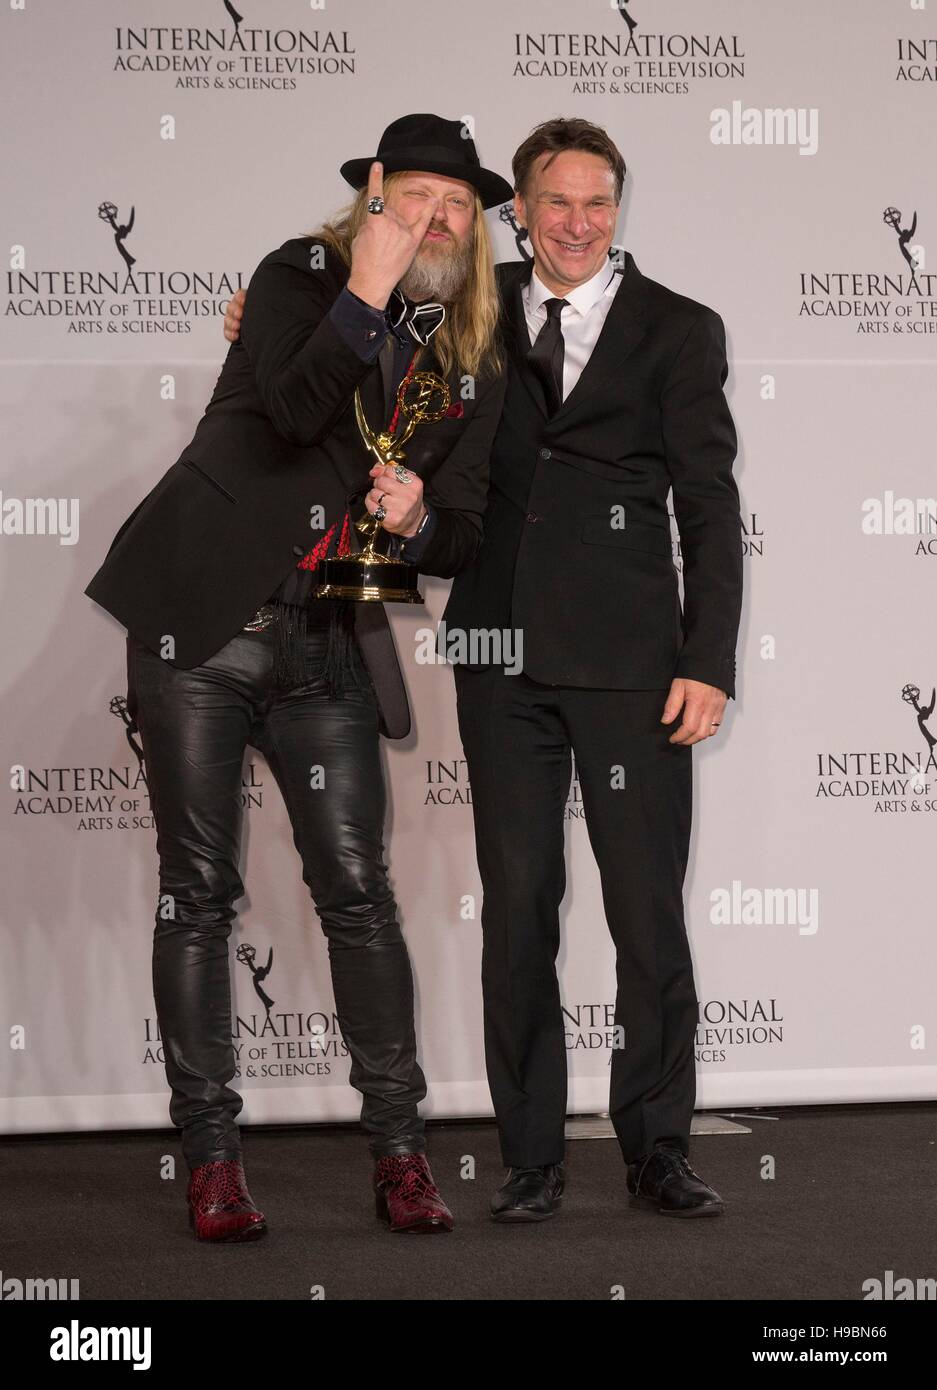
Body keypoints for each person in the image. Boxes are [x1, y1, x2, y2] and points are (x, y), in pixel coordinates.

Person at [223, 116, 744, 1225]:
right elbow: (344, 335)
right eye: (554, 202)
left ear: (619, 207)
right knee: (519, 910)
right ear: (519, 209)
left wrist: (708, 662)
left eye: (597, 201)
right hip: (497, 651)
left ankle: (655, 1146)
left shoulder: (682, 329)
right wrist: (260, 334)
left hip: (632, 664)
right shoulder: (470, 306)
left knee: (646, 911)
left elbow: (706, 505)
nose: (576, 222)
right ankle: (532, 1158)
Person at [85, 113, 510, 1241]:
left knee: (359, 895)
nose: (438, 218)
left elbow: (465, 527)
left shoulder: (472, 354)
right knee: (200, 890)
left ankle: (403, 1157)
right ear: (373, 197)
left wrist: (420, 520)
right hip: (205, 630)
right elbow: (281, 412)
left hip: (329, 643)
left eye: (460, 205)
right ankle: (212, 1161)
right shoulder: (300, 274)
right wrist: (360, 292)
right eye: (417, 194)